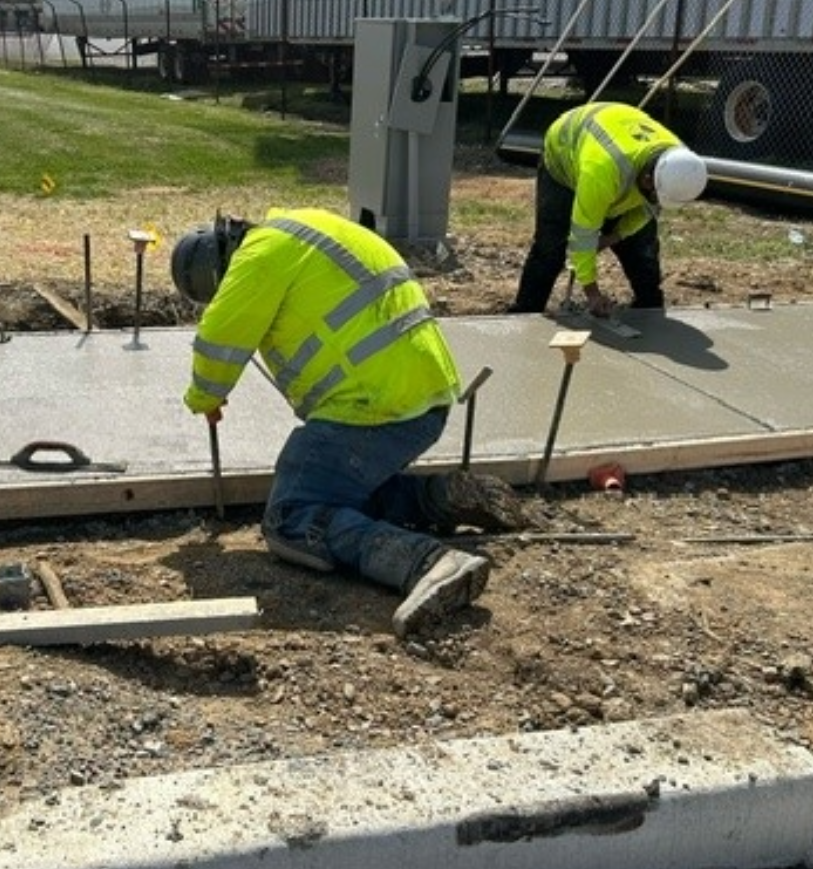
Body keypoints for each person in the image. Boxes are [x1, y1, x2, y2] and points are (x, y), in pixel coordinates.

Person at [171, 208, 530, 638]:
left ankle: (427, 562)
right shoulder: (305, 227)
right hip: (424, 401)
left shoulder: (257, 258)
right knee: (338, 491)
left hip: (369, 408)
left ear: (218, 271)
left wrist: (205, 398)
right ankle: (435, 499)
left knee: (292, 516)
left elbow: (218, 338)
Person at [510, 102, 708, 317]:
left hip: (618, 139)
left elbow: (647, 210)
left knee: (642, 248)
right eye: (655, 197)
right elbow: (583, 234)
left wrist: (613, 237)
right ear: (648, 179)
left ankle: (649, 307)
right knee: (550, 246)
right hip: (564, 156)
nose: (656, 202)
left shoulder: (678, 164)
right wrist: (592, 293)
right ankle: (526, 311)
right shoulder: (601, 171)